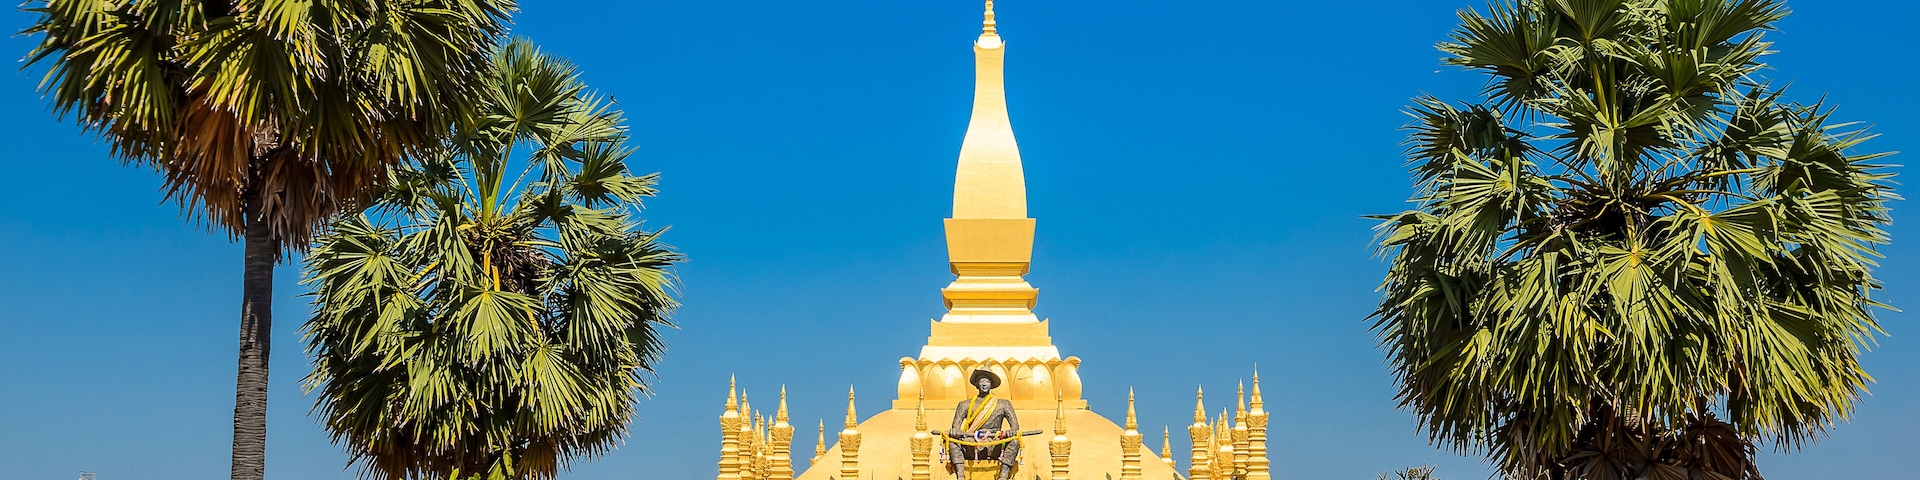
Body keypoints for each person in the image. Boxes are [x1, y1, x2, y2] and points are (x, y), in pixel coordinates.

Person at [946, 369, 1021, 480]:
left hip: (995, 443)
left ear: (991, 385)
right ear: (976, 384)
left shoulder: (1003, 404)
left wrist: (1011, 431)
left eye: (987, 381)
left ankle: (1003, 475)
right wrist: (955, 431)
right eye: (982, 381)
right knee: (953, 441)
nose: (984, 384)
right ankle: (960, 475)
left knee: (1015, 441)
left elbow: (1015, 426)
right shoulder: (965, 404)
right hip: (972, 443)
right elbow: (955, 427)